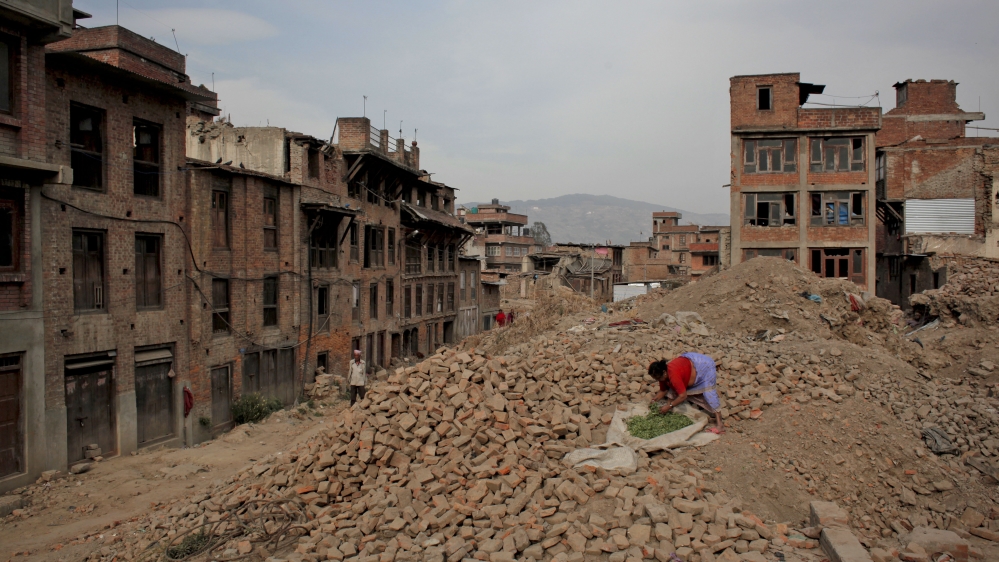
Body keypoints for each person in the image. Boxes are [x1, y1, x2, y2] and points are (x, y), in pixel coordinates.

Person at [648, 352, 724, 434]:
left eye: (658, 378)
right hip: (688, 363)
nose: (658, 380)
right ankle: (668, 411)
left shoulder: (673, 375)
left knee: (708, 394)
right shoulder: (663, 376)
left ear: (664, 372)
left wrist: (669, 406)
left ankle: (720, 425)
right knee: (672, 389)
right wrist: (654, 400)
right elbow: (663, 390)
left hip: (703, 365)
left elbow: (683, 396)